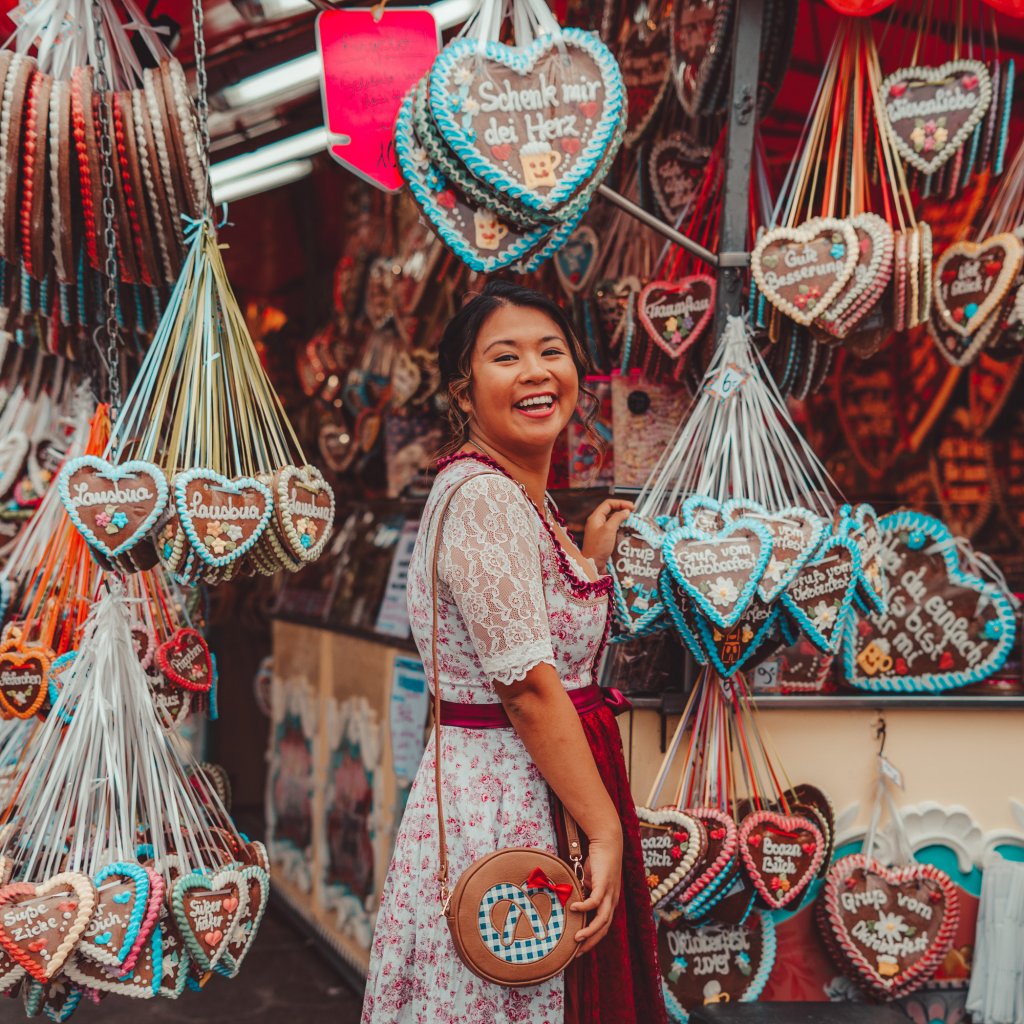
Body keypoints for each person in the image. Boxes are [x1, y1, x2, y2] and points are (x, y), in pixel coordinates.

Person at [361, 281, 667, 1024]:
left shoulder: (514, 498)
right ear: (464, 390)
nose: (535, 372)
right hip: (508, 798)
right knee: (515, 993)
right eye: (507, 357)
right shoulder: (488, 500)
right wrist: (604, 829)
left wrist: (587, 559)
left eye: (550, 351)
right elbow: (528, 690)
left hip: (517, 786)